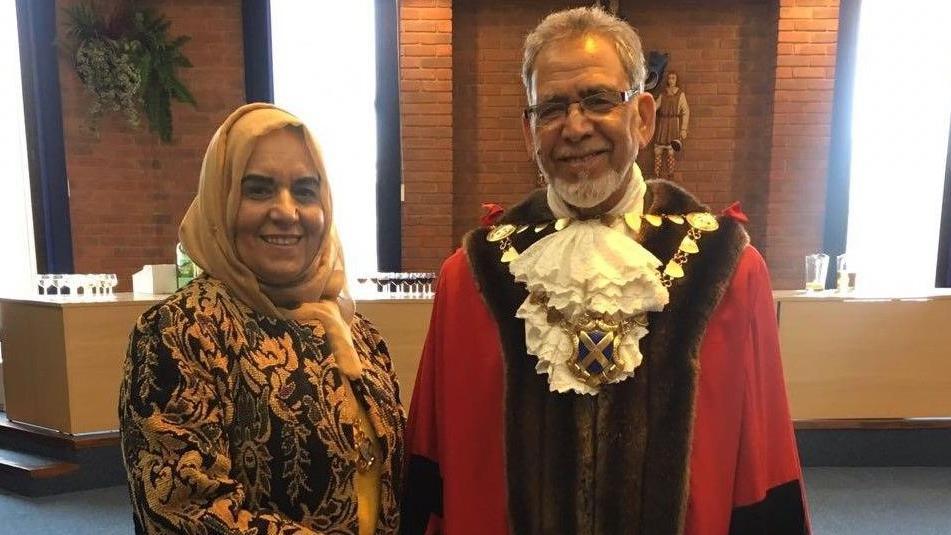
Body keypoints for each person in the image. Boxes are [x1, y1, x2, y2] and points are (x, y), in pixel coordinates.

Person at [402, 7, 808, 535]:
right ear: (530, 130)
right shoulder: (471, 279)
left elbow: (761, 464)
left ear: (641, 116)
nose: (574, 127)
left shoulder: (727, 272)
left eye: (598, 100)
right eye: (550, 108)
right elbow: (440, 469)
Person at [119, 103, 404, 535]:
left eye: (306, 191)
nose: (287, 212)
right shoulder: (181, 330)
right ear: (221, 198)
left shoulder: (356, 332)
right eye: (258, 189)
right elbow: (186, 511)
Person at [654, 70, 690, 179]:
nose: (671, 80)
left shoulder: (680, 95)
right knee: (658, 152)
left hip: (673, 124)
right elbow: (655, 107)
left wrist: (683, 129)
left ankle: (670, 176)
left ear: (676, 80)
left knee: (671, 152)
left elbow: (686, 111)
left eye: (673, 78)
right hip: (663, 125)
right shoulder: (663, 94)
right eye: (669, 78)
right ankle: (656, 175)